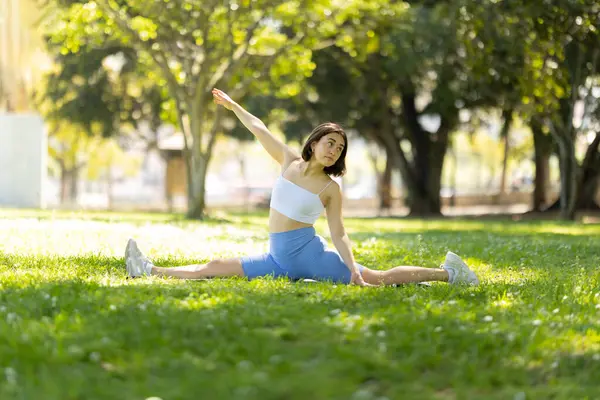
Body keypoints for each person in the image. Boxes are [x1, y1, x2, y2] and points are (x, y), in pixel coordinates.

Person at [124, 88, 480, 287]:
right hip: (277, 260)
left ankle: (449, 273)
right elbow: (259, 128)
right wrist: (233, 106)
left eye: (339, 148)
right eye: (330, 142)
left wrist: (353, 269)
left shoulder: (330, 188)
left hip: (309, 256)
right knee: (214, 265)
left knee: (378, 278)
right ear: (315, 142)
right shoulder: (289, 162)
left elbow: (339, 234)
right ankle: (148, 270)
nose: (334, 149)